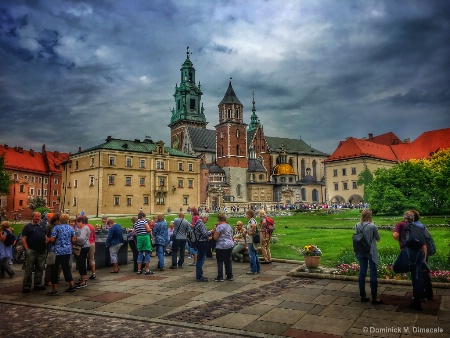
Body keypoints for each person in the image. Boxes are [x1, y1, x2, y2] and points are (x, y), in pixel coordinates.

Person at [394, 211, 427, 310]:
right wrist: (424, 256)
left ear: (404, 217)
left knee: (396, 268)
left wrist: (402, 240)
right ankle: (417, 302)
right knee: (416, 276)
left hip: (407, 251)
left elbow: (395, 235)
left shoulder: (400, 224)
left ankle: (408, 268)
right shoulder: (419, 227)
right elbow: (423, 242)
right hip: (419, 252)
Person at [354, 209, 383, 304]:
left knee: (362, 272)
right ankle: (374, 297)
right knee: (373, 273)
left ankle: (363, 295)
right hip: (370, 251)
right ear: (370, 216)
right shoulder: (372, 226)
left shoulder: (357, 225)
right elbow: (378, 239)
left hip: (360, 251)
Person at [46, 213, 77, 295]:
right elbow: (74, 240)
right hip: (67, 250)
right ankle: (71, 285)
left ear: (60, 220)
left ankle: (54, 289)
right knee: (66, 268)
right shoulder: (70, 228)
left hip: (57, 251)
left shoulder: (57, 228)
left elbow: (52, 240)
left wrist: (48, 240)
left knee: (54, 269)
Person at [22, 211, 47, 293]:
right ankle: (26, 285)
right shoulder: (27, 227)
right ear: (32, 217)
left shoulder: (43, 226)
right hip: (31, 250)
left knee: (40, 268)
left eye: (39, 217)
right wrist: (27, 249)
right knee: (29, 268)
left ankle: (38, 284)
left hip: (42, 250)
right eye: (36, 216)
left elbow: (45, 236)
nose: (37, 218)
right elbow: (23, 239)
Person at [411, 210, 433, 302]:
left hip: (420, 252)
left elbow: (420, 242)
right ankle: (428, 294)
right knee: (424, 272)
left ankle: (421, 295)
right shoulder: (421, 225)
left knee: (419, 274)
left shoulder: (416, 227)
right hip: (424, 252)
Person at [213, 213, 234, 282]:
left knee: (220, 261)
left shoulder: (219, 227)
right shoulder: (228, 226)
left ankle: (220, 277)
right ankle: (229, 275)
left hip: (221, 246)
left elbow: (215, 237)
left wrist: (214, 232)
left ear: (219, 219)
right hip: (229, 245)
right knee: (228, 260)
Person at [194, 213, 212, 282]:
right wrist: (211, 231)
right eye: (207, 219)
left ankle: (199, 275)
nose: (207, 220)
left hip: (199, 242)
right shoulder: (201, 224)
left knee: (200, 259)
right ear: (203, 218)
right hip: (202, 243)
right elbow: (204, 234)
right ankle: (199, 276)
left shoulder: (197, 223)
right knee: (201, 260)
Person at [44, 213, 60, 286]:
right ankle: (47, 280)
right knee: (50, 264)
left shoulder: (58, 226)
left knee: (57, 264)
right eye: (58, 220)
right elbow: (45, 236)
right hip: (51, 246)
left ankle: (54, 278)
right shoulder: (48, 226)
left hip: (58, 246)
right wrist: (49, 239)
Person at [74, 216, 91, 288]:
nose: (77, 224)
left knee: (81, 264)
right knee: (82, 263)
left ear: (81, 222)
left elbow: (81, 239)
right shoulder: (85, 228)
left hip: (83, 247)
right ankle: (83, 279)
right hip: (85, 246)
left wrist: (75, 238)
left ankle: (83, 281)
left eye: (78, 222)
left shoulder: (84, 228)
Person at [245, 209, 260, 274]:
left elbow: (254, 225)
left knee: (251, 255)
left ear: (249, 215)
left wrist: (251, 232)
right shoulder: (252, 220)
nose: (246, 216)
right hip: (253, 239)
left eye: (246, 214)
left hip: (251, 240)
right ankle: (257, 269)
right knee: (255, 254)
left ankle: (253, 270)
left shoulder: (252, 221)